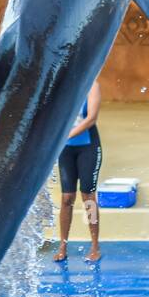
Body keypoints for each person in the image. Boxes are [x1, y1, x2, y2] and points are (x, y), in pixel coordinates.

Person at [55, 81, 104, 263]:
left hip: (87, 148)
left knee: (88, 197)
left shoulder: (92, 85)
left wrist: (66, 135)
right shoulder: (61, 86)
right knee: (67, 198)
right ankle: (63, 245)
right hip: (65, 150)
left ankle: (94, 245)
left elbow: (91, 118)